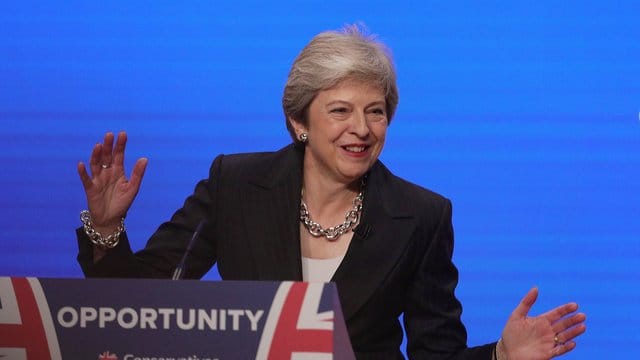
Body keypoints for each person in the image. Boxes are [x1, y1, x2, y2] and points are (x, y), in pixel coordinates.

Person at [76, 25, 586, 359]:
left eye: (376, 111)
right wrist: (103, 229)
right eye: (340, 110)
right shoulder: (234, 184)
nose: (361, 129)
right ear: (299, 121)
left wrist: (500, 355)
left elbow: (437, 354)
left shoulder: (422, 215)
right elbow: (141, 307)